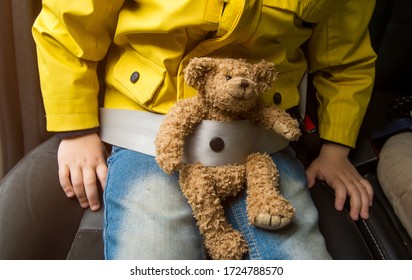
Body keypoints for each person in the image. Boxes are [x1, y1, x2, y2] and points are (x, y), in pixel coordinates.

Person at [32, 0, 376, 259]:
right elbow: (68, 26)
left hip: (261, 137)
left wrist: (336, 148)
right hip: (150, 130)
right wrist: (76, 129)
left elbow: (346, 60)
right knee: (154, 252)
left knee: (299, 254)